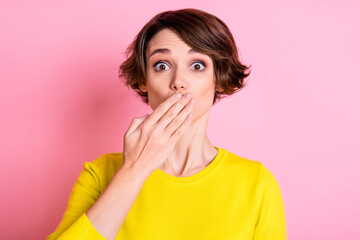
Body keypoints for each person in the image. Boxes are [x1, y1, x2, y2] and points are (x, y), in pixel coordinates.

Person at [47, 8, 287, 240]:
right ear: (144, 81)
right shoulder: (100, 174)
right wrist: (134, 171)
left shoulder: (257, 183)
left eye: (197, 65)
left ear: (220, 79)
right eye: (162, 65)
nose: (178, 82)